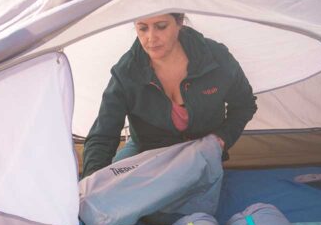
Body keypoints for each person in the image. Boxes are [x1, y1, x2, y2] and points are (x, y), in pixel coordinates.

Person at [81, 13, 258, 179]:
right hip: (145, 151)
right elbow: (102, 135)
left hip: (199, 154)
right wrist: (91, 184)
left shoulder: (215, 58)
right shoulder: (127, 72)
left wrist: (221, 139)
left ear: (179, 22)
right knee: (110, 191)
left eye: (161, 26)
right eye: (143, 28)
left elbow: (244, 105)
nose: (151, 37)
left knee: (178, 209)